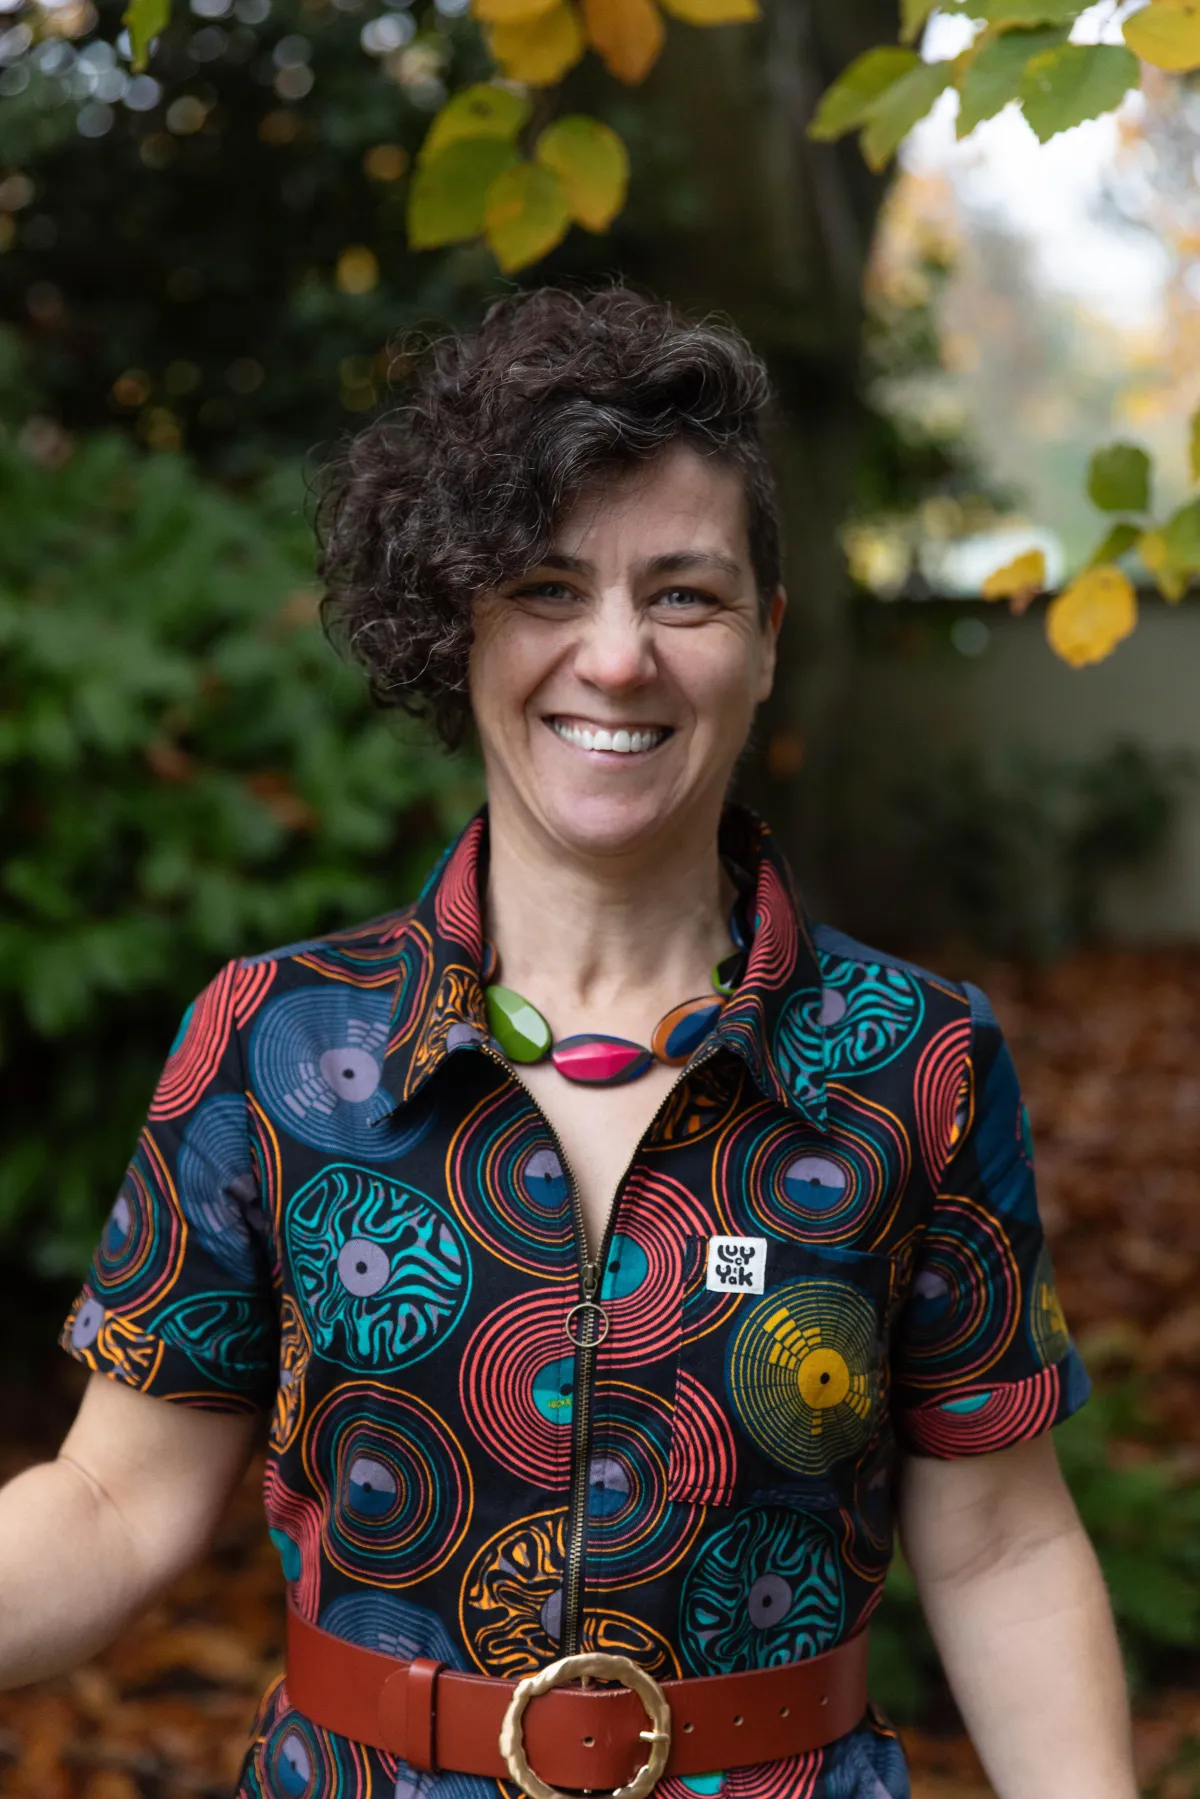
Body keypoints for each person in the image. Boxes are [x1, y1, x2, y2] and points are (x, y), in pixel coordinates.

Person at [0, 286, 1136, 1799]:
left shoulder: (911, 1059)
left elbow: (1003, 1540)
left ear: (768, 639)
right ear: (460, 617)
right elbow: (109, 1502)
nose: (615, 659)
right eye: (546, 587)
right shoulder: (276, 1040)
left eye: (684, 595)